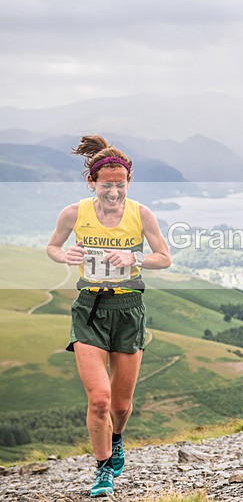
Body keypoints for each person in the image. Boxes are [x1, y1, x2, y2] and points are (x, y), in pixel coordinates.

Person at [46, 136, 171, 498]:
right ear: (92, 183)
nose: (114, 192)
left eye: (121, 184)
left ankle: (117, 439)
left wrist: (137, 258)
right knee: (99, 400)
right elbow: (52, 246)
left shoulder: (141, 214)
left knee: (120, 404)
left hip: (129, 309)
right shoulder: (74, 213)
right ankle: (103, 471)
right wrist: (63, 255)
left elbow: (164, 257)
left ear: (128, 182)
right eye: (106, 185)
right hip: (90, 308)